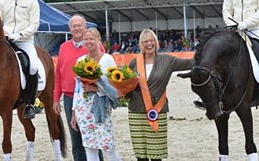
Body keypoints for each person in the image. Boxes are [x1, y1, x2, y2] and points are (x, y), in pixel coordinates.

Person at [127, 28, 192, 161]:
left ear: (156, 43)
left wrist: (209, 53)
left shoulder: (167, 60)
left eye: (151, 41)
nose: (149, 44)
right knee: (141, 154)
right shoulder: (134, 62)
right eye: (145, 41)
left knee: (156, 154)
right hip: (136, 111)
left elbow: (190, 63)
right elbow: (127, 85)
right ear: (141, 44)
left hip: (157, 111)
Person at [53, 14, 105, 161]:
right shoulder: (63, 47)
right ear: (70, 29)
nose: (77, 28)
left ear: (85, 27)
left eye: (79, 25)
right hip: (70, 98)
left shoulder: (96, 46)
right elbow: (59, 74)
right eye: (74, 26)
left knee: (93, 137)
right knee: (76, 138)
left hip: (92, 97)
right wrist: (56, 98)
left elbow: (104, 73)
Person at [0, 0, 40, 119]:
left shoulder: (32, 2)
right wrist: (4, 34)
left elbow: (34, 24)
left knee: (33, 67)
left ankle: (29, 104)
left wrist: (19, 35)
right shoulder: (2, 2)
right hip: (5, 41)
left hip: (24, 41)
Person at [71, 28, 121, 161]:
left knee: (108, 146)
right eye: (86, 39)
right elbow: (77, 88)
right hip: (83, 109)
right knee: (89, 147)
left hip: (101, 107)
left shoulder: (107, 59)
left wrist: (96, 89)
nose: (88, 42)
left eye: (91, 39)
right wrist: (74, 112)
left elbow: (114, 86)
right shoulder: (80, 60)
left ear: (98, 41)